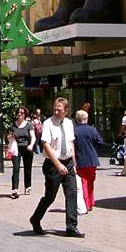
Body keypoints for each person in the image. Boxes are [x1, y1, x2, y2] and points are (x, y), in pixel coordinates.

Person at [29, 97, 84, 238]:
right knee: (50, 196)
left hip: (68, 163)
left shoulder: (69, 123)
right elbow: (46, 145)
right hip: (53, 164)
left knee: (72, 194)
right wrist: (58, 165)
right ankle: (36, 219)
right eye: (55, 108)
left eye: (59, 108)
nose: (56, 110)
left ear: (66, 110)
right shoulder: (48, 123)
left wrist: (74, 162)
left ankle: (71, 227)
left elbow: (71, 143)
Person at [73, 109, 103, 212]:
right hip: (92, 159)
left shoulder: (74, 131)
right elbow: (100, 142)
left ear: (77, 120)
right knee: (91, 181)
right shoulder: (92, 130)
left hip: (80, 160)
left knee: (83, 183)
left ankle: (86, 203)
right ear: (86, 119)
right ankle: (91, 200)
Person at [8, 107, 36, 198]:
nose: (20, 114)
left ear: (25, 114)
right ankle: (14, 189)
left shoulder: (29, 124)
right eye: (18, 113)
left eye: (22, 113)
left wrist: (31, 145)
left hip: (27, 148)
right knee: (16, 168)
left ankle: (27, 186)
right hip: (16, 148)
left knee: (27, 168)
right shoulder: (13, 125)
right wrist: (10, 137)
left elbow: (33, 136)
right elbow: (9, 136)